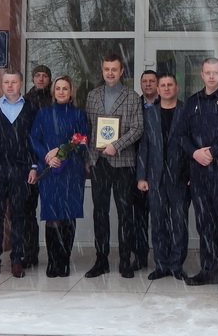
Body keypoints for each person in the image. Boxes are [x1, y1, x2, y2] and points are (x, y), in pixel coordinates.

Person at [172, 57, 218, 295]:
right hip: (199, 173)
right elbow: (180, 135)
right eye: (207, 72)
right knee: (204, 224)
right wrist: (195, 153)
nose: (211, 76)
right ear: (201, 75)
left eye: (215, 72)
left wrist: (213, 152)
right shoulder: (192, 102)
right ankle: (209, 269)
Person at [84, 53, 143, 279]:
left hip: (123, 163)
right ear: (102, 70)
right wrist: (89, 158)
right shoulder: (92, 95)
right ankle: (101, 260)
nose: (110, 73)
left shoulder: (132, 96)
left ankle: (125, 260)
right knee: (100, 213)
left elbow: (138, 128)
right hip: (99, 162)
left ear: (121, 71)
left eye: (114, 69)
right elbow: (89, 129)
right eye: (107, 69)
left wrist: (116, 145)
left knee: (125, 213)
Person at [0, 69, 38, 280]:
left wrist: (34, 165)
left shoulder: (31, 108)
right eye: (6, 82)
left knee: (19, 215)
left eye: (14, 82)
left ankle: (17, 259)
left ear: (21, 84)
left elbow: (35, 139)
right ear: (2, 84)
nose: (10, 86)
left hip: (22, 169)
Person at [30, 75, 90, 278]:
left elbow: (83, 141)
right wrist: (47, 156)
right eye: (58, 88)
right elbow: (34, 139)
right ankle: (52, 260)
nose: (61, 92)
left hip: (71, 171)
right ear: (53, 92)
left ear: (71, 92)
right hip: (50, 170)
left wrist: (62, 150)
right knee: (52, 216)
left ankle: (64, 260)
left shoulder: (79, 114)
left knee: (68, 216)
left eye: (65, 88)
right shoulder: (43, 113)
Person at [136, 73, 189, 280]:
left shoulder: (186, 111)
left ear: (176, 88)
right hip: (155, 177)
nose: (166, 88)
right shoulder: (150, 114)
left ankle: (176, 265)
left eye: (170, 85)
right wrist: (141, 176)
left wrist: (191, 174)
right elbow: (144, 147)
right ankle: (161, 264)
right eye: (163, 85)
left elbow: (193, 143)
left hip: (180, 176)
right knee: (158, 223)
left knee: (179, 223)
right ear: (158, 90)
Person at [20, 64, 52, 269]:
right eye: (37, 75)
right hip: (29, 162)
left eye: (44, 76)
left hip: (51, 161)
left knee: (52, 211)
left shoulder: (54, 100)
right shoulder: (24, 101)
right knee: (27, 210)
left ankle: (55, 255)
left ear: (49, 79)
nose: (41, 79)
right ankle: (29, 253)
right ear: (32, 78)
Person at [129, 69, 158, 272]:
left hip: (159, 168)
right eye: (144, 81)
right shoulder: (133, 105)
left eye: (151, 81)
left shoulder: (167, 104)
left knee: (160, 216)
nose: (148, 84)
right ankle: (140, 256)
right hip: (135, 167)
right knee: (138, 216)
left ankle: (164, 258)